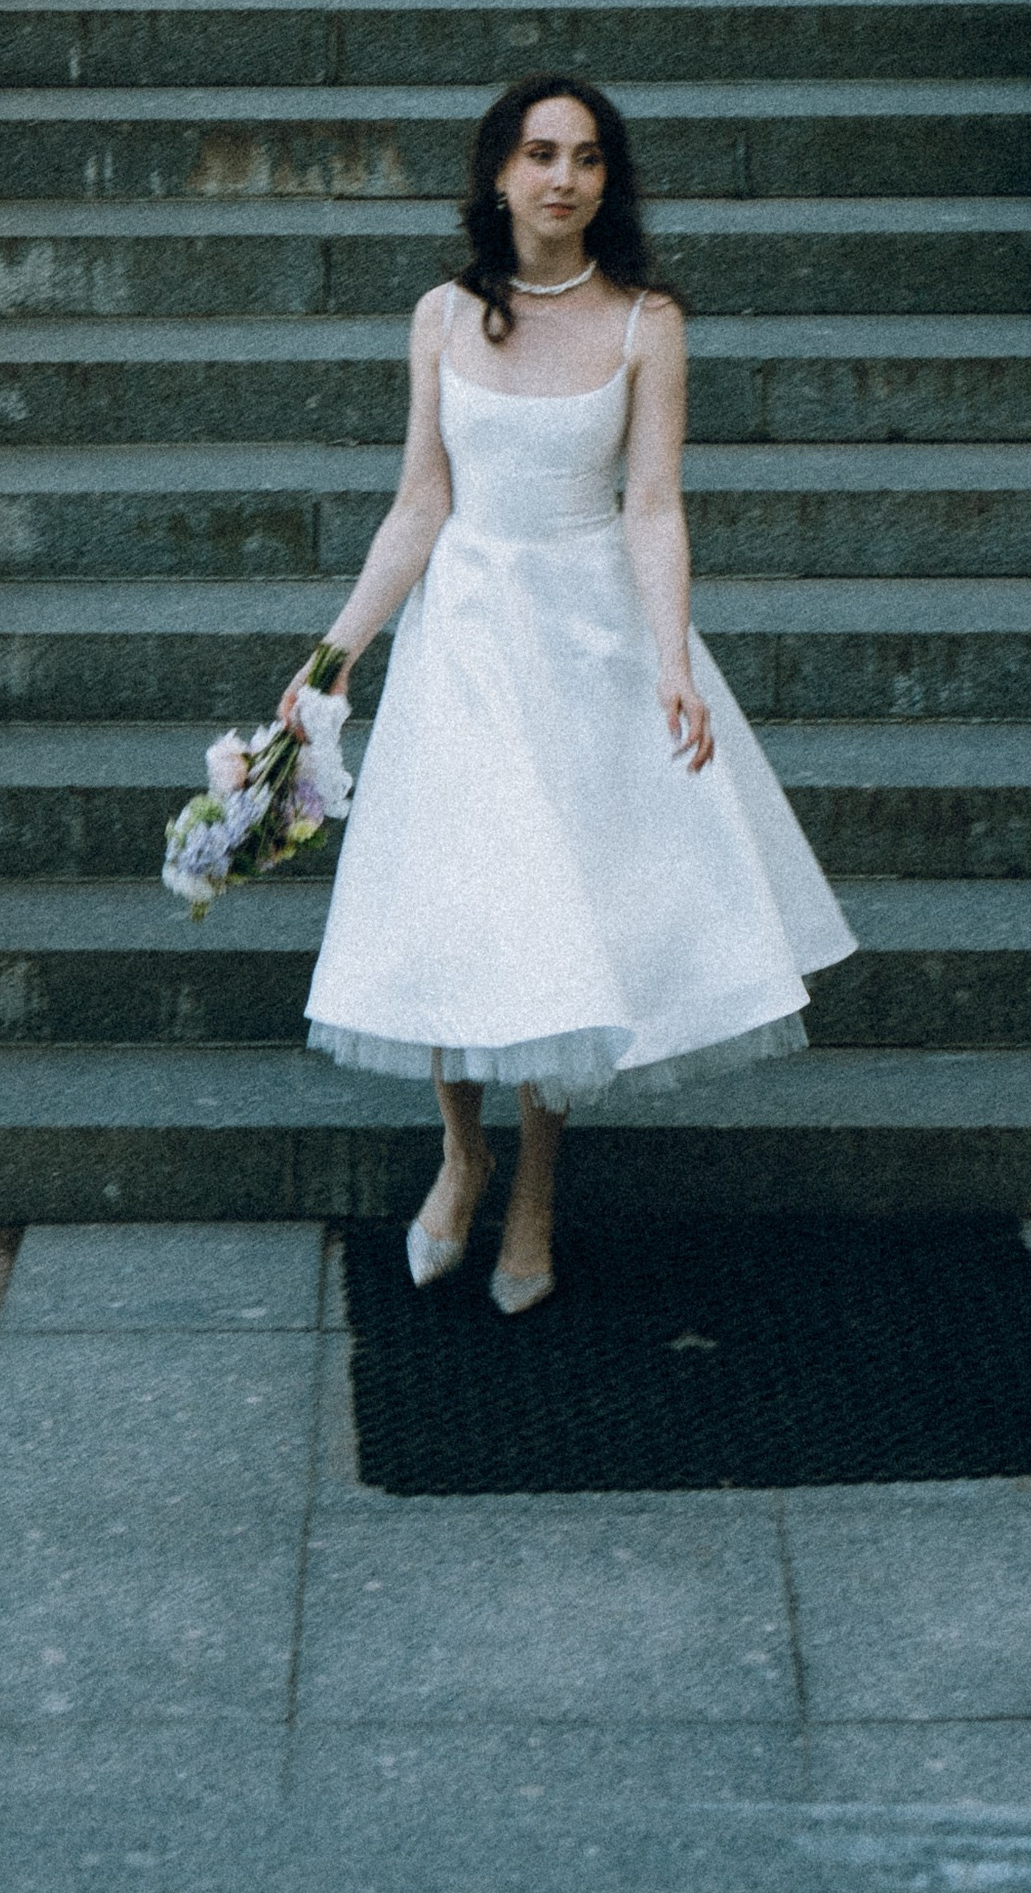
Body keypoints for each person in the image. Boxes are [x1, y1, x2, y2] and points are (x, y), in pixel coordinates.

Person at [284, 72, 855, 1315]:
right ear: (498, 174)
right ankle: (462, 1149)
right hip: (469, 645)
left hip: (589, 641)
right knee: (458, 905)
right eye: (540, 154)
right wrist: (333, 658)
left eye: (587, 157)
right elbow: (420, 503)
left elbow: (652, 507)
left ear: (608, 179)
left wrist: (669, 659)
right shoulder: (441, 316)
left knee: (567, 920)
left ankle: (534, 1192)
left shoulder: (647, 321)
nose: (563, 177)